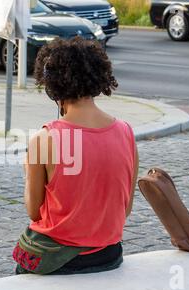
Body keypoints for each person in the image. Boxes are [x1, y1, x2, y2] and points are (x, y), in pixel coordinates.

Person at [12, 37, 139, 275]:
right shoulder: (126, 132)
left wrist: (29, 174)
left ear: (51, 87)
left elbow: (33, 211)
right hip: (108, 255)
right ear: (99, 78)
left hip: (60, 261)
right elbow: (126, 208)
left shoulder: (44, 139)